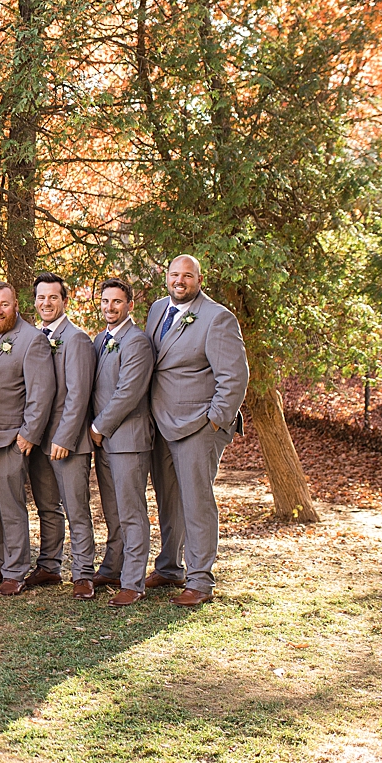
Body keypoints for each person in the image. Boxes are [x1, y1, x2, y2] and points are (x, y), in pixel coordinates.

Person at [145, 255, 249, 606]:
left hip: (198, 426)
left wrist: (215, 420)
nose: (180, 281)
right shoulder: (158, 309)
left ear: (198, 279)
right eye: (174, 274)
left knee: (197, 502)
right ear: (166, 277)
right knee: (168, 499)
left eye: (187, 276)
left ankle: (200, 579)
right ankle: (170, 567)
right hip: (161, 423)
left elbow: (234, 377)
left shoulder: (217, 318)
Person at [0, 282, 56, 596]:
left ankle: (16, 571)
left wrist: (28, 434)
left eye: (4, 304)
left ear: (15, 305)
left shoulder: (32, 340)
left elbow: (41, 393)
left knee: (11, 507)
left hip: (10, 437)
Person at [25, 272, 97, 598]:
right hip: (39, 440)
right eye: (41, 297)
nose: (46, 303)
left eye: (53, 297)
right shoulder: (32, 336)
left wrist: (64, 439)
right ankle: (49, 566)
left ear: (64, 301)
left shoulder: (77, 338)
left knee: (76, 509)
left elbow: (79, 395)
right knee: (47, 508)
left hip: (67, 441)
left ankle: (83, 574)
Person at [88, 277, 156, 607]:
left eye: (117, 302)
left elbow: (129, 392)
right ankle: (112, 568)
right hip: (103, 442)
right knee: (112, 512)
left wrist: (99, 426)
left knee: (131, 513)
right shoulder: (101, 339)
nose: (110, 307)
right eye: (105, 301)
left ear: (130, 305)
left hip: (127, 439)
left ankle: (133, 581)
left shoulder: (137, 342)